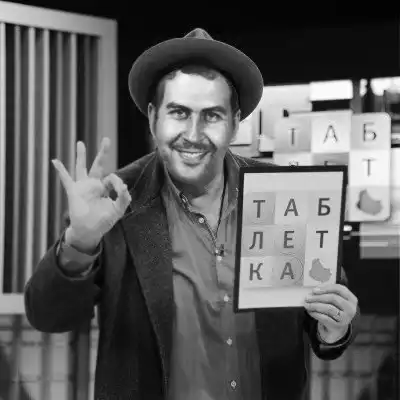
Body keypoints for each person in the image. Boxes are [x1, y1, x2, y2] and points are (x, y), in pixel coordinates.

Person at [24, 28, 360, 400]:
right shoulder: (116, 200)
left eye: (212, 116)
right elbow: (48, 316)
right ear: (153, 117)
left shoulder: (285, 194)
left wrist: (335, 328)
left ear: (235, 122)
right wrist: (80, 241)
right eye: (179, 113)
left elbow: (323, 315)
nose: (194, 134)